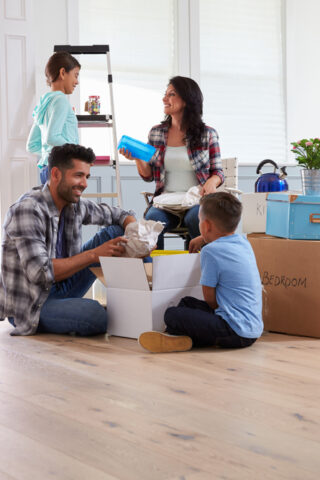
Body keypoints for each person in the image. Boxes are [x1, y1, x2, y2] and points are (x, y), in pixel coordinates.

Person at [0, 143, 136, 336]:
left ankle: (145, 300)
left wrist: (140, 237)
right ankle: (119, 314)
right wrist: (94, 255)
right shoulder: (28, 209)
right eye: (78, 175)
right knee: (96, 315)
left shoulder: (74, 204)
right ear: (56, 174)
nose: (85, 183)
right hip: (33, 304)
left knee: (116, 232)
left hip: (63, 286)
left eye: (87, 177)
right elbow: (40, 272)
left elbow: (120, 215)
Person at [138, 192, 263, 353]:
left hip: (233, 330)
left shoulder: (210, 252)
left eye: (199, 220)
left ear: (206, 225)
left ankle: (181, 339)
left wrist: (206, 241)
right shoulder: (244, 243)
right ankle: (185, 337)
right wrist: (204, 238)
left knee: (171, 314)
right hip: (253, 328)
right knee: (187, 303)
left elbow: (210, 299)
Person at [119, 76, 224, 249]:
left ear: (187, 100)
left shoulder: (208, 134)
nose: (164, 99)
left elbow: (218, 171)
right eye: (165, 94)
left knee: (194, 218)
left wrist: (213, 181)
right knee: (152, 221)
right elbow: (148, 175)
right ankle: (156, 271)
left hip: (197, 201)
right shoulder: (156, 133)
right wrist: (137, 157)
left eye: (172, 94)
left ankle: (200, 268)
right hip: (165, 202)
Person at [26, 51, 81, 184]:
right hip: (62, 169)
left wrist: (48, 153)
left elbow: (32, 145)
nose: (77, 82)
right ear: (63, 73)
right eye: (75, 75)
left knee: (50, 205)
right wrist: (76, 151)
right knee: (67, 205)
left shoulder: (44, 103)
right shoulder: (61, 100)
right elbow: (52, 137)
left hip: (47, 168)